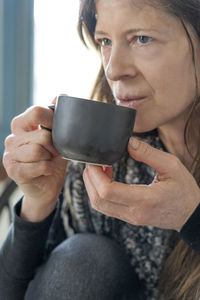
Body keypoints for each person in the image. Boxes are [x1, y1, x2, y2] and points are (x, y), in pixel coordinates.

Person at [1, 0, 200, 299]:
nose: (113, 69)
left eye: (142, 38)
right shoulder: (104, 161)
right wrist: (37, 204)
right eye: (105, 41)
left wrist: (191, 217)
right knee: (84, 259)